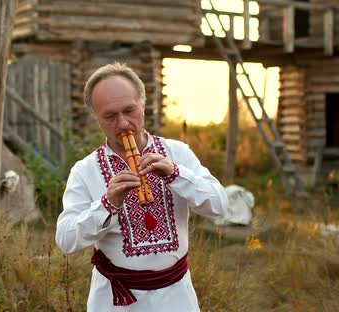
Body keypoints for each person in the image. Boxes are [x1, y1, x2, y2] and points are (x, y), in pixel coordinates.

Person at [55, 63, 228, 311]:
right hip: (115, 302)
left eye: (129, 110)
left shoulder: (177, 153)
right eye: (110, 116)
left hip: (176, 297)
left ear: (143, 106)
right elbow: (66, 241)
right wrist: (107, 204)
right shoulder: (85, 171)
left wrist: (175, 174)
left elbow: (220, 206)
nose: (124, 124)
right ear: (96, 118)